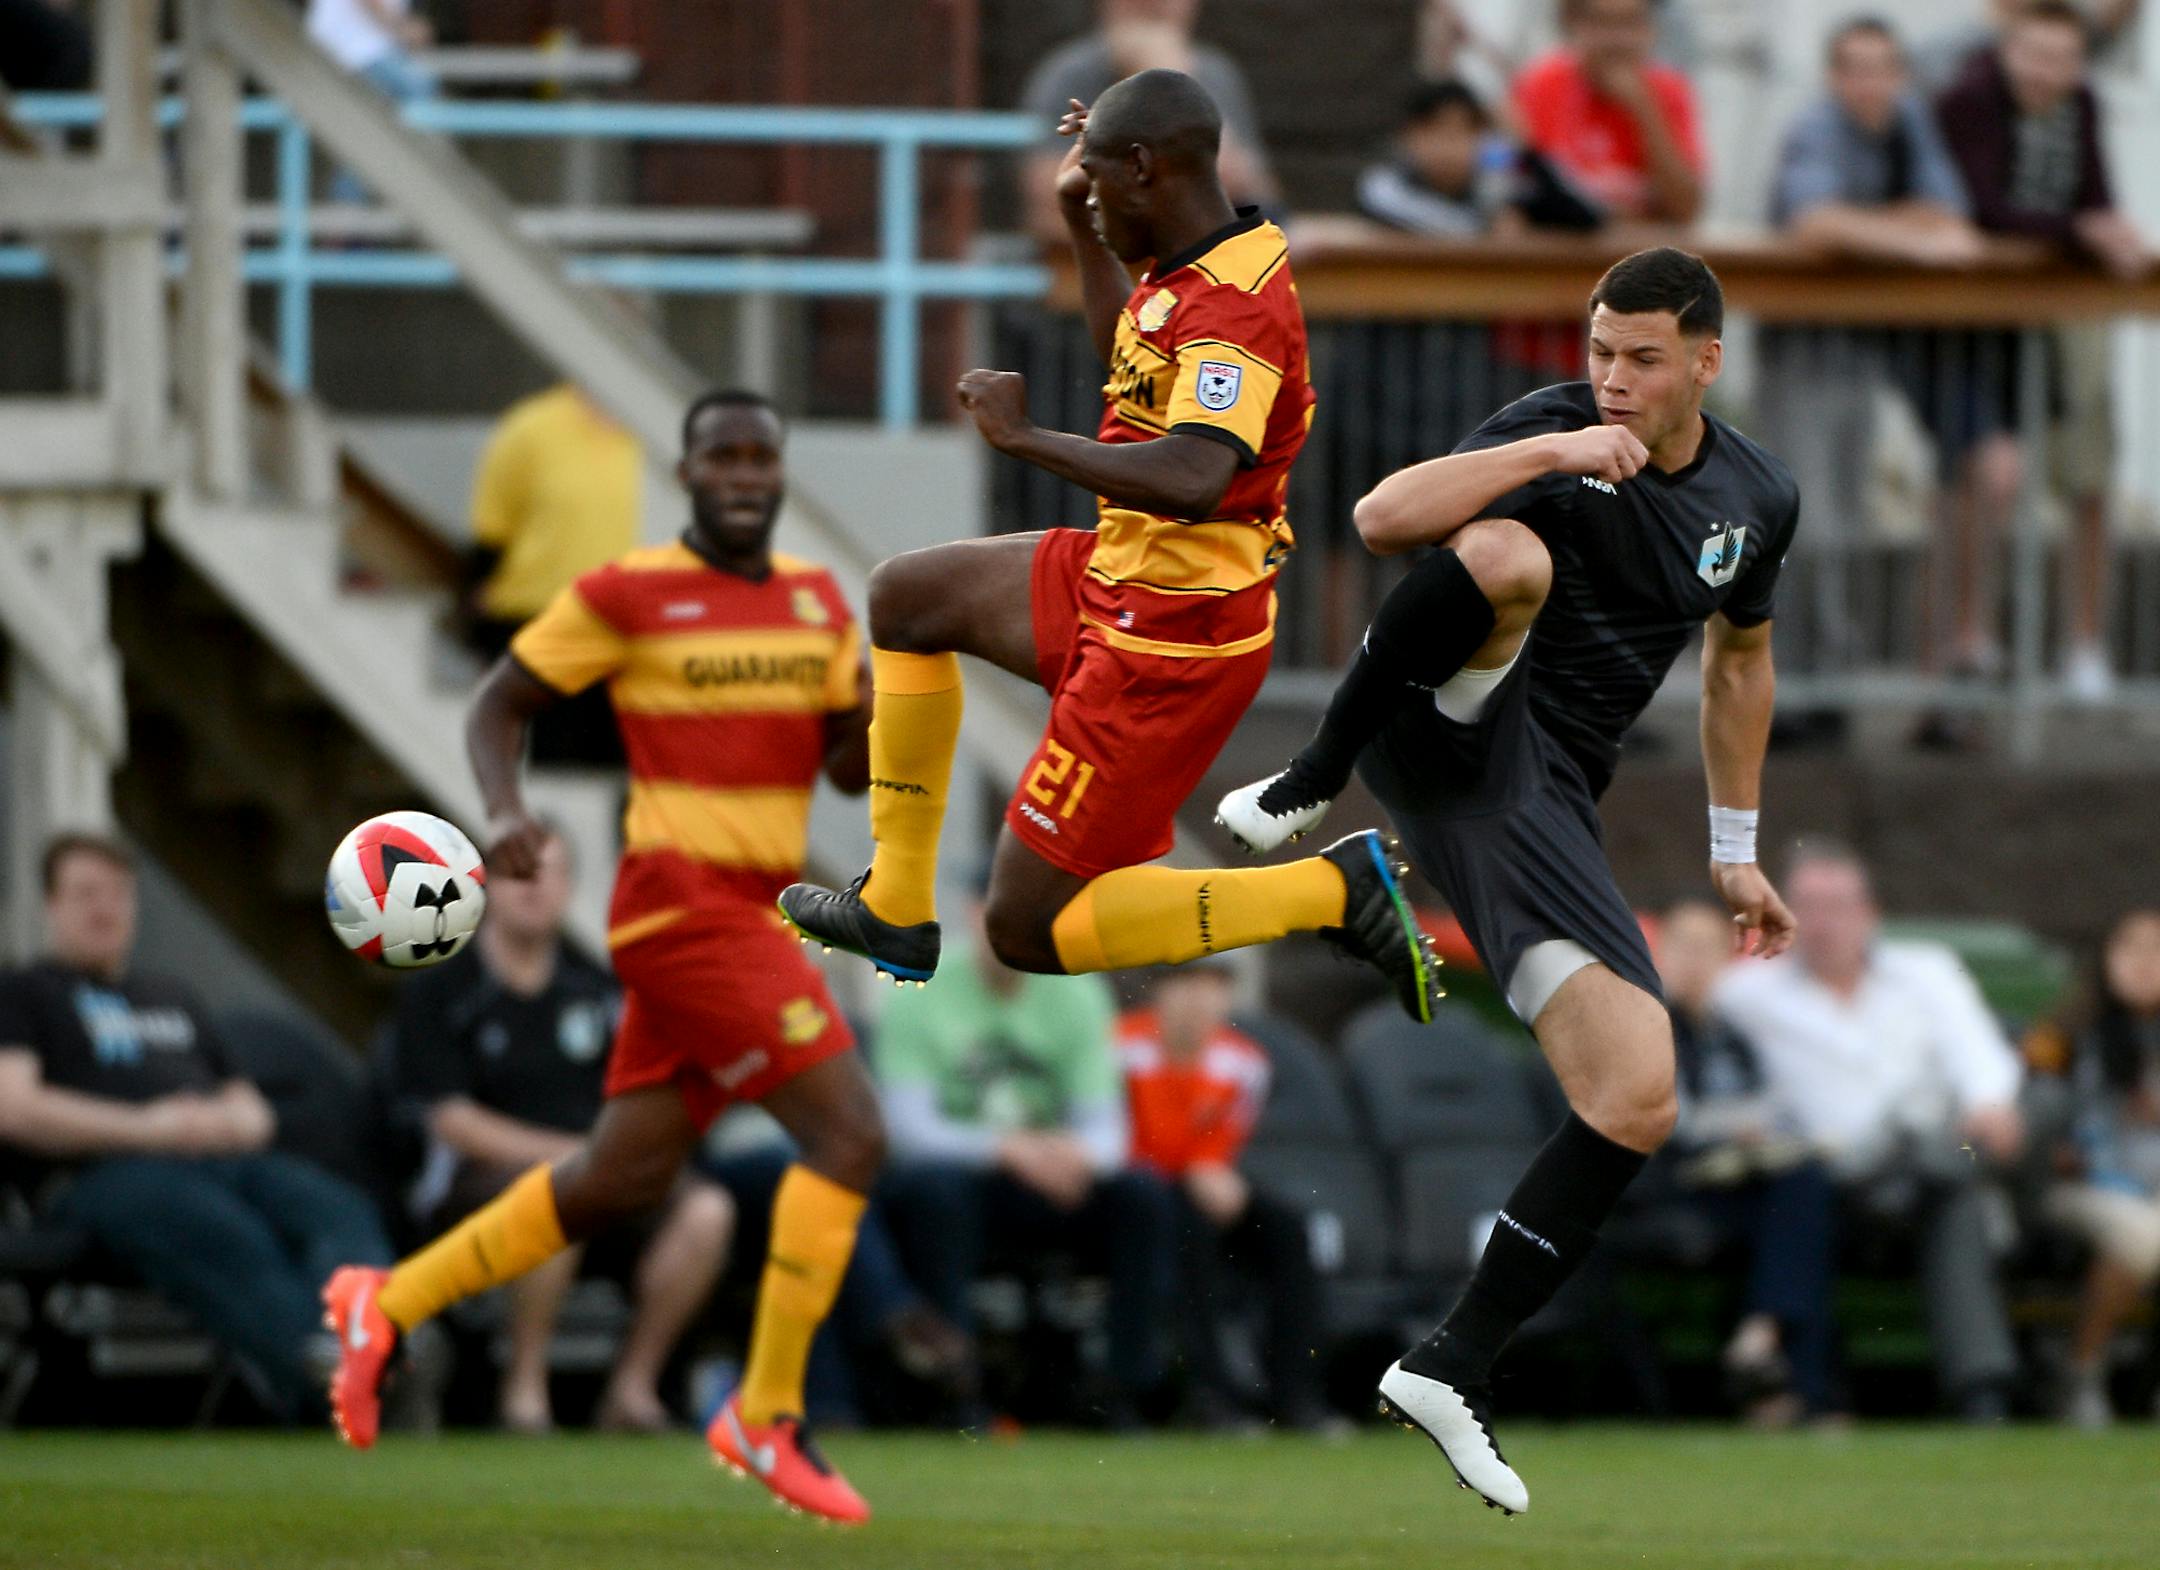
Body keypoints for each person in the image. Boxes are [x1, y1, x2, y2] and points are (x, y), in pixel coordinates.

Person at [1217, 247, 1800, 1515]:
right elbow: (1379, 521)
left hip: (1531, 798)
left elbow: (1739, 666)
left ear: (1707, 360)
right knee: (1506, 556)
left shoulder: (1757, 496)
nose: (1613, 379)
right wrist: (1550, 454)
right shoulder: (1558, 426)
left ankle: (1451, 1361)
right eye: (1599, 350)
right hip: (1449, 724)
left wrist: (1738, 848)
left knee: (1638, 1094)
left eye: (1642, 359)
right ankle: (1311, 772)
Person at [322, 389, 887, 1525]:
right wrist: (501, 810)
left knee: (617, 1178)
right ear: (682, 475)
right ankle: (766, 1412)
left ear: (778, 476)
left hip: (755, 910)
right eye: (719, 456)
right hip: (681, 907)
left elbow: (845, 774)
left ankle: (386, 1298)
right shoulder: (627, 592)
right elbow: (500, 700)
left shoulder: (819, 603)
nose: (740, 473)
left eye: (758, 456)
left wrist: (891, 704)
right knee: (850, 1134)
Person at [777, 71, 1439, 1030]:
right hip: (1122, 575)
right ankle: (896, 908)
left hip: (1169, 641)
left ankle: (1331, 892)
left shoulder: (1238, 307)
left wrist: (1025, 439)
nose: (1081, 195)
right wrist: (1088, 232)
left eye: (1095, 180)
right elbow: (1135, 362)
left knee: (1022, 932)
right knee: (908, 598)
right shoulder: (1187, 266)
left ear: (1145, 167)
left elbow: (1193, 475)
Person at [0, 834, 394, 1422]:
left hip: (218, 1161)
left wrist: (215, 1125)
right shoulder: (25, 993)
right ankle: (332, 1380)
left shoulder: (172, 997)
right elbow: (15, 1108)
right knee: (222, 1232)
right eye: (85, 894)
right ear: (50, 906)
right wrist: (145, 1128)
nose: (104, 909)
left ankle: (369, 1351)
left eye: (117, 894)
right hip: (98, 1176)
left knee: (335, 1208)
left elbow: (254, 1114)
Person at [380, 828, 733, 1435]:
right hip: (477, 1190)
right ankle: (524, 1391)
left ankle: (632, 1388)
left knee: (708, 1211)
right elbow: (452, 1122)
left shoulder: (598, 989)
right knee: (557, 1193)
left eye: (551, 872)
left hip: (599, 1174)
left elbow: (647, 1092)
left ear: (570, 888)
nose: (535, 887)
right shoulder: (441, 987)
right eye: (521, 870)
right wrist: (581, 1157)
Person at [1714, 840, 2026, 1422]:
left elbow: (1978, 1054)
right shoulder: (1746, 993)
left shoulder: (1927, 970)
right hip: (1845, 1179)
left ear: (1870, 912)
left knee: (1956, 1168)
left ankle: (1983, 1392)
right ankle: (1985, 1395)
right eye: (1807, 904)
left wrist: (1990, 1104)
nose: (1823, 922)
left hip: (1941, 1153)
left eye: (1837, 905)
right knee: (1954, 1182)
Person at [875, 901, 1172, 1428]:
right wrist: (1007, 1149)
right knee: (936, 1192)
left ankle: (1124, 1390)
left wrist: (1073, 1155)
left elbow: (1109, 1132)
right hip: (962, 1178)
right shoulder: (918, 987)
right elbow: (908, 1130)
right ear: (971, 919)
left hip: (1051, 1178)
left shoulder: (1079, 992)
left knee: (1143, 1196)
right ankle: (955, 1385)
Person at [1934, 0, 2148, 703]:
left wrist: (2098, 231)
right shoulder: (1967, 95)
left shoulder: (2081, 102)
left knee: (2088, 473)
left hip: (2069, 305)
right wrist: (2082, 232)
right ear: (2006, 46)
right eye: (2034, 54)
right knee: (1984, 475)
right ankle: (1970, 637)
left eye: (2063, 57)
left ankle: (2085, 643)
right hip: (1981, 309)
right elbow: (1983, 206)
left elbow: (2098, 196)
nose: (2047, 71)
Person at [1759, 15, 1984, 672]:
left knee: (1848, 520)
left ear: (1900, 74)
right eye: (1854, 68)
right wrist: (1911, 239)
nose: (1869, 83)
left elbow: (1951, 211)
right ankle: (1787, 678)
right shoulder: (1814, 128)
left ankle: (1824, 674)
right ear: (1833, 77)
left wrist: (1875, 230)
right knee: (1804, 519)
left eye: (1882, 68)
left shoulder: (1909, 122)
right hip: (1800, 348)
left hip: (1860, 349)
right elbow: (1814, 221)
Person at [1116, 964, 1332, 1431]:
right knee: (1186, 1227)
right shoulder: (1118, 1047)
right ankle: (1210, 1395)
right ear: (1159, 992)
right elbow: (1119, 1141)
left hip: (1203, 1181)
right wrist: (1194, 1168)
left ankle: (1295, 1397)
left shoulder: (1245, 1062)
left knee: (1288, 1231)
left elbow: (1221, 1144)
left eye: (1213, 988)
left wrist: (1207, 1169)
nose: (1198, 1002)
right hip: (1140, 1190)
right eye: (1186, 985)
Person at [1646, 901, 1838, 1425]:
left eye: (1710, 950)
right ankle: (1802, 1386)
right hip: (1672, 1184)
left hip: (1744, 1181)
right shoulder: (1647, 1024)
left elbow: (1781, 1101)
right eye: (1684, 947)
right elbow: (1665, 1114)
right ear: (1658, 954)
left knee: (1802, 1200)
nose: (1696, 962)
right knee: (1802, 1209)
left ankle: (1764, 1347)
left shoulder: (1736, 1031)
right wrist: (1738, 1126)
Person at [463, 383, 644, 764]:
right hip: (537, 620)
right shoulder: (531, 428)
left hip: (631, 634)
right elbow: (491, 533)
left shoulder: (659, 430)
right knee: (554, 769)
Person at [1016, 0, 1278, 248]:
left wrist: (1172, 75)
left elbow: (1242, 189)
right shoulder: (1070, 74)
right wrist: (1163, 73)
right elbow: (1055, 208)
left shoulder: (1215, 72)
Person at [2036, 908, 2160, 1427]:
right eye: (2130, 949)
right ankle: (2081, 1373)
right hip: (2086, 1185)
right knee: (2142, 1236)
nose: (2143, 964)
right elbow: (2030, 1108)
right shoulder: (2065, 1035)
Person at [1509, 0, 1705, 226]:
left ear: (1650, 29)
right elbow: (1520, 195)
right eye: (1603, 23)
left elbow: (1687, 209)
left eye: (1629, 24)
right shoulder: (1541, 84)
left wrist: (1643, 108)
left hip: (1644, 254)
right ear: (1576, 25)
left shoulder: (1670, 90)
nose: (1617, 40)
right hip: (1565, 252)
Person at [1357, 79, 1601, 240]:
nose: (1448, 148)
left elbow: (1588, 213)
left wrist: (1526, 150)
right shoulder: (1385, 183)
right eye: (1434, 132)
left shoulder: (1494, 173)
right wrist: (1492, 224)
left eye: (1461, 133)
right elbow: (1450, 229)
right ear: (1407, 137)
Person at [306, 0, 436, 208]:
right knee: (418, 89)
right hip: (349, 52)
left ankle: (347, 222)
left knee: (364, 144)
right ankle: (423, 185)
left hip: (365, 52)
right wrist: (404, 28)